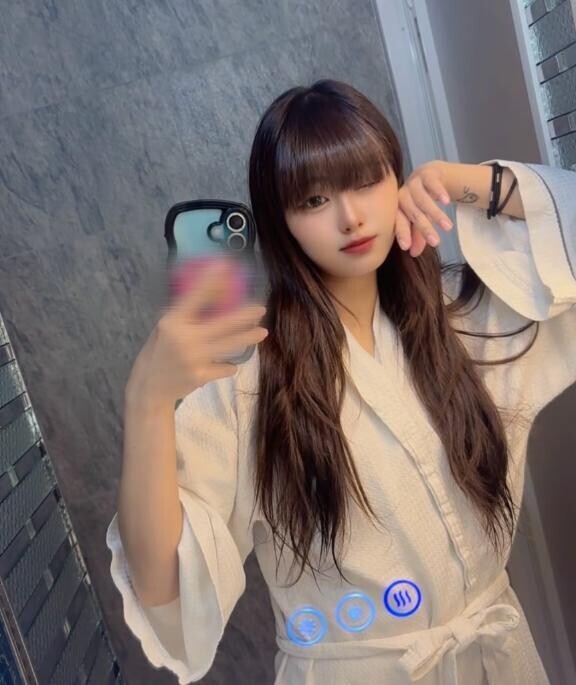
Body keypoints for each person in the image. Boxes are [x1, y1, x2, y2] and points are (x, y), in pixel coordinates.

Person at [105, 79, 576, 684]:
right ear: (281, 222)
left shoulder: (464, 320)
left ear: (396, 177)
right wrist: (146, 401)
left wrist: (462, 182)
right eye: (314, 200)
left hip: (498, 660)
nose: (351, 217)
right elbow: (163, 586)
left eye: (366, 180)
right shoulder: (248, 377)